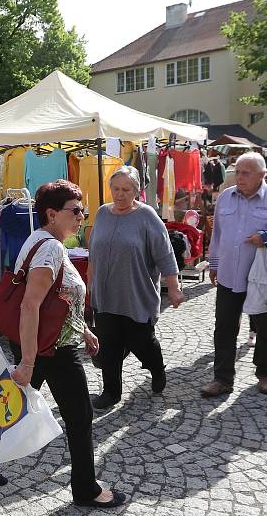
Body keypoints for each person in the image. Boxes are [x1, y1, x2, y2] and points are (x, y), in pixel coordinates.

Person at [0, 180, 127, 509]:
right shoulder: (50, 248)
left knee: (16, 399)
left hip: (41, 342)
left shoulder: (43, 240)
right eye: (76, 210)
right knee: (80, 418)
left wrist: (83, 330)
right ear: (51, 214)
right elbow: (30, 305)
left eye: (83, 209)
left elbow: (58, 300)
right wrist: (27, 362)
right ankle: (86, 489)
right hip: (50, 349)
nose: (82, 215)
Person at [201, 152, 267, 396]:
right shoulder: (226, 197)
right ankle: (223, 378)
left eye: (246, 173)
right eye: (237, 171)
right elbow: (217, 235)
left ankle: (266, 374)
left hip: (264, 278)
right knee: (224, 327)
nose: (239, 177)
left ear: (262, 175)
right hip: (229, 274)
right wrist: (214, 264)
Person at [88, 166, 184, 410]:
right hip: (106, 294)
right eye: (115, 188)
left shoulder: (146, 216)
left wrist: (173, 288)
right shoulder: (102, 213)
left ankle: (156, 368)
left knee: (142, 342)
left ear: (137, 190)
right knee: (108, 345)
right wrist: (89, 287)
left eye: (125, 189)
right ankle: (111, 392)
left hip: (136, 294)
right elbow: (93, 255)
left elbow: (165, 254)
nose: (119, 194)